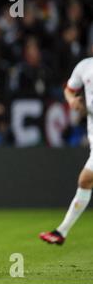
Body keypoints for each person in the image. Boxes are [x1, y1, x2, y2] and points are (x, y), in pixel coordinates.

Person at [39, 54, 93, 245]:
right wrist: (72, 101)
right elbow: (70, 90)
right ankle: (61, 232)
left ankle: (61, 231)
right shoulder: (85, 67)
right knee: (86, 181)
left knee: (85, 179)